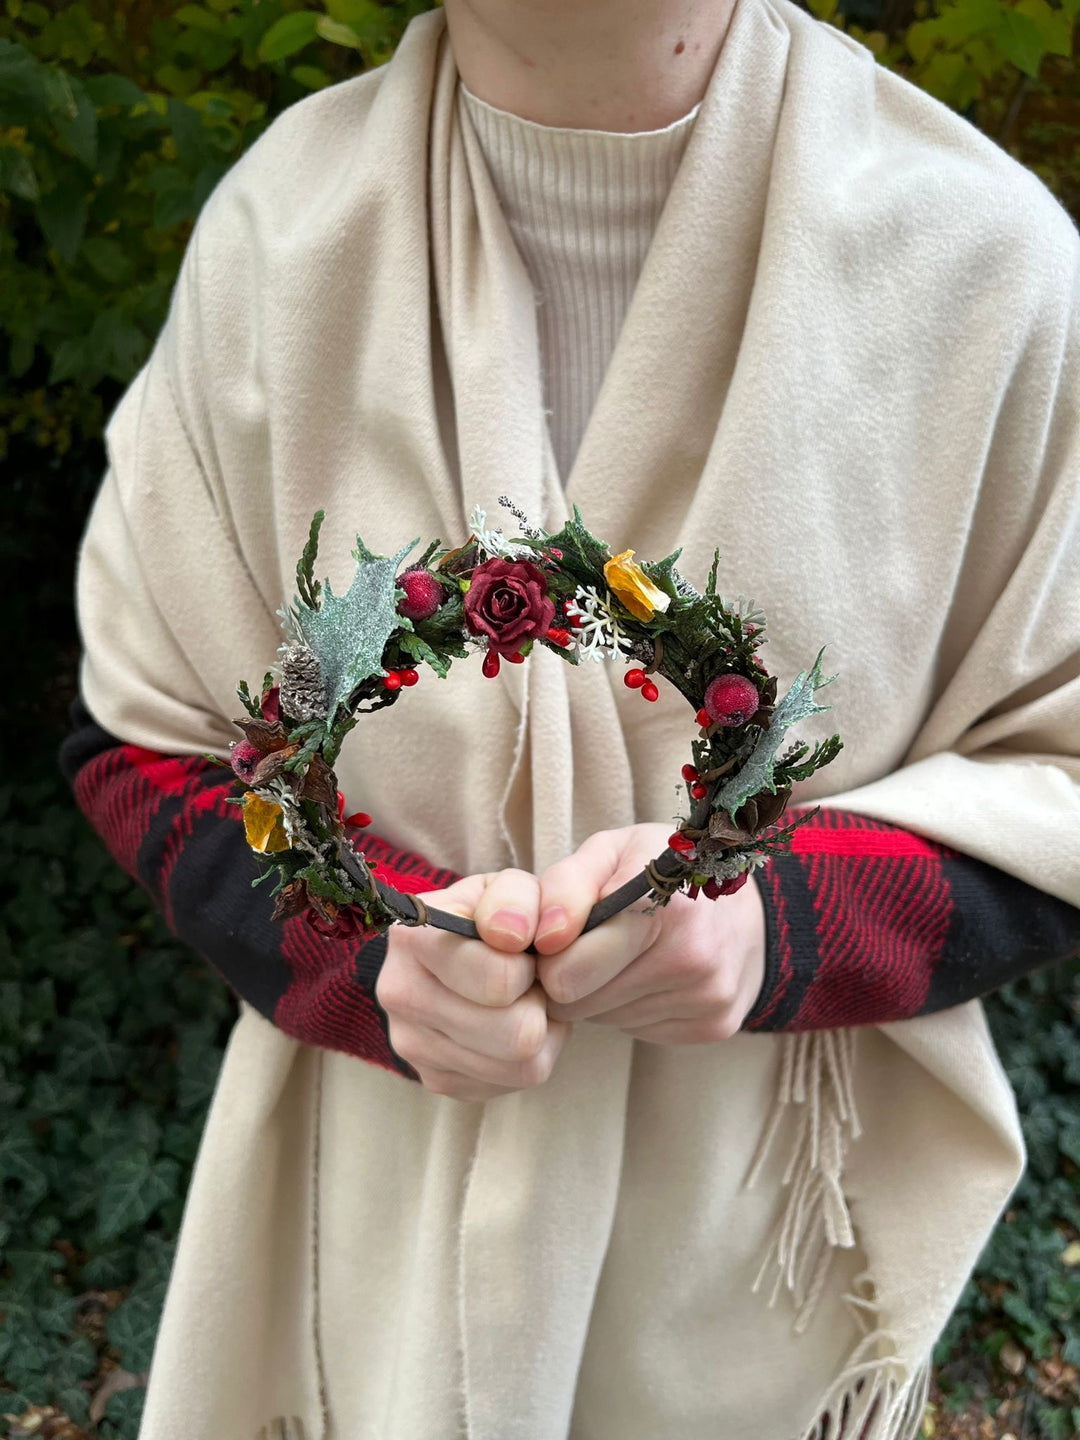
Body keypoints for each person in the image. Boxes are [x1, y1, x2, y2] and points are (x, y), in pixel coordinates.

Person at [61, 0, 1080, 1435]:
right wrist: (370, 957)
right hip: (363, 1258)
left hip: (758, 1281)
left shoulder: (985, 264)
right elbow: (141, 736)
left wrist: (777, 927)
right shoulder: (279, 242)